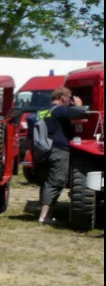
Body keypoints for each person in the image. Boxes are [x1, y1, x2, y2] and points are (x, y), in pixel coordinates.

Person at [34, 86, 88, 225]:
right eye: (69, 99)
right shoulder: (61, 109)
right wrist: (78, 105)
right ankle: (44, 217)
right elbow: (81, 120)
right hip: (58, 149)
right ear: (63, 97)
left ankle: (44, 213)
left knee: (46, 182)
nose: (70, 102)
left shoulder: (42, 110)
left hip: (42, 150)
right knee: (56, 181)